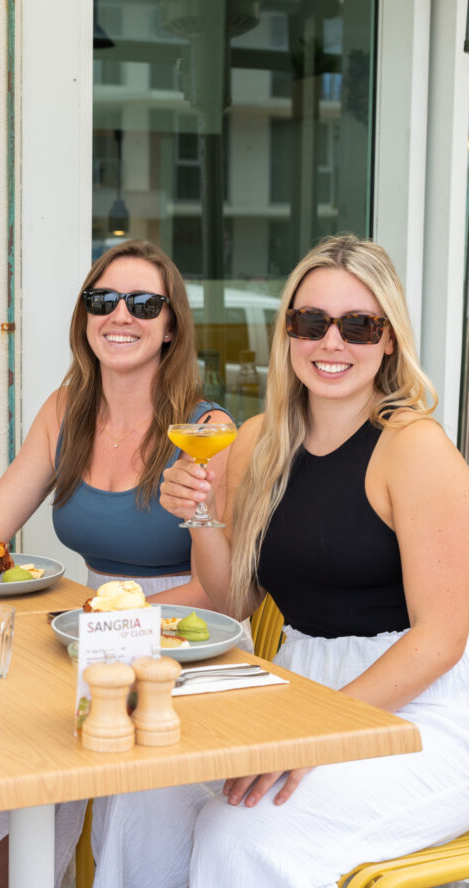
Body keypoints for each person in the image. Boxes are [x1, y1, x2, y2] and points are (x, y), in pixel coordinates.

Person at [90, 233, 469, 887]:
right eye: (311, 321)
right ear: (287, 332)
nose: (331, 343)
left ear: (388, 339)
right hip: (296, 681)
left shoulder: (414, 448)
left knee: (240, 834)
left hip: (421, 709)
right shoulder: (259, 439)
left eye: (358, 325)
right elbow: (235, 600)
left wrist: (315, 733)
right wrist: (201, 515)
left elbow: (441, 638)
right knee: (147, 788)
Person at [0, 239, 233, 888]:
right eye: (102, 300)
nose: (121, 315)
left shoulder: (204, 431)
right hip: (88, 630)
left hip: (180, 642)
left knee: (19, 772)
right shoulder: (67, 413)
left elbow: (221, 593)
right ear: (84, 317)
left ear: (172, 327)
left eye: (144, 303)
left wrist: (123, 616)